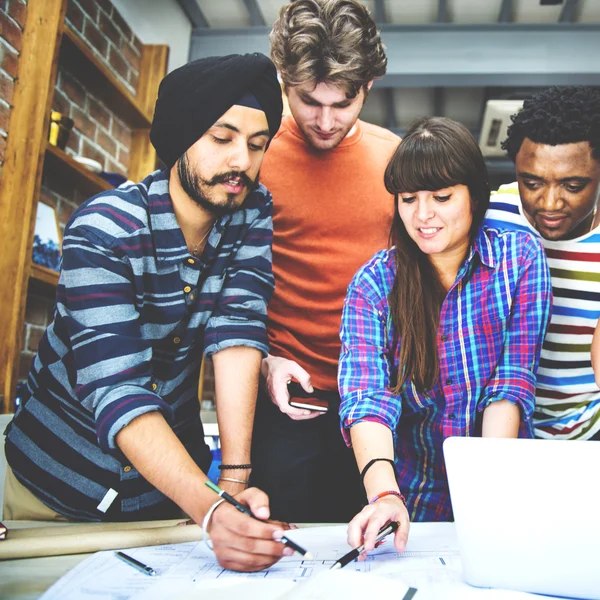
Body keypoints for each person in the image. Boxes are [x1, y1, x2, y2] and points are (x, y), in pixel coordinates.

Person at [4, 53, 289, 572]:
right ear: (181, 136)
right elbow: (118, 389)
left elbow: (238, 332)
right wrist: (212, 511)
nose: (242, 162)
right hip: (52, 494)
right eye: (222, 139)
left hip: (167, 504)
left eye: (256, 144)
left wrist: (231, 484)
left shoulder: (251, 210)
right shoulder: (104, 229)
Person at [338, 117, 552, 554]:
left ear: (474, 195)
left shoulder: (518, 260)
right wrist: (383, 495)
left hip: (503, 489)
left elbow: (511, 383)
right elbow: (368, 399)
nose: (423, 215)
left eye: (441, 196)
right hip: (413, 500)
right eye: (408, 198)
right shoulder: (373, 285)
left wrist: (486, 493)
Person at [249, 0, 400, 523]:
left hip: (378, 399)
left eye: (344, 102)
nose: (327, 121)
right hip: (285, 400)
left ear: (369, 86)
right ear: (283, 80)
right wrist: (262, 360)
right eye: (309, 101)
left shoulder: (394, 160)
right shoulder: (254, 156)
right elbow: (220, 283)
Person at [485, 86, 600, 440]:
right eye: (531, 182)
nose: (550, 203)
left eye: (573, 185)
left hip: (591, 431)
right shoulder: (489, 217)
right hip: (500, 428)